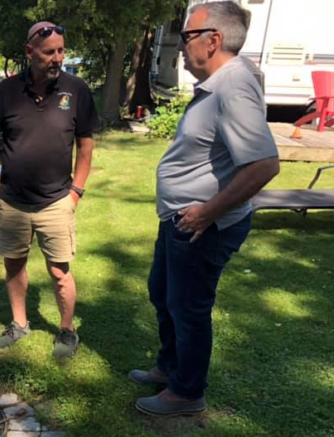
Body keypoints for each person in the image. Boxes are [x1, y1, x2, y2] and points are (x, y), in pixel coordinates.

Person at [130, 1, 280, 416]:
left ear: (213, 40)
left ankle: (187, 392)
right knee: (163, 294)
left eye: (187, 36)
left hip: (202, 226)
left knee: (189, 307)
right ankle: (169, 367)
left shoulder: (233, 86)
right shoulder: (220, 83)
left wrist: (209, 211)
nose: (180, 46)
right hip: (182, 219)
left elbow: (265, 164)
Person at [0, 21, 99, 359]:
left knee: (59, 271)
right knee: (14, 265)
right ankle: (20, 323)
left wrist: (76, 191)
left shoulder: (76, 90)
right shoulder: (7, 92)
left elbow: (86, 146)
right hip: (13, 201)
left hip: (56, 201)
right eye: (49, 52)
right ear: (30, 52)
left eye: (61, 51)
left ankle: (66, 330)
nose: (57, 58)